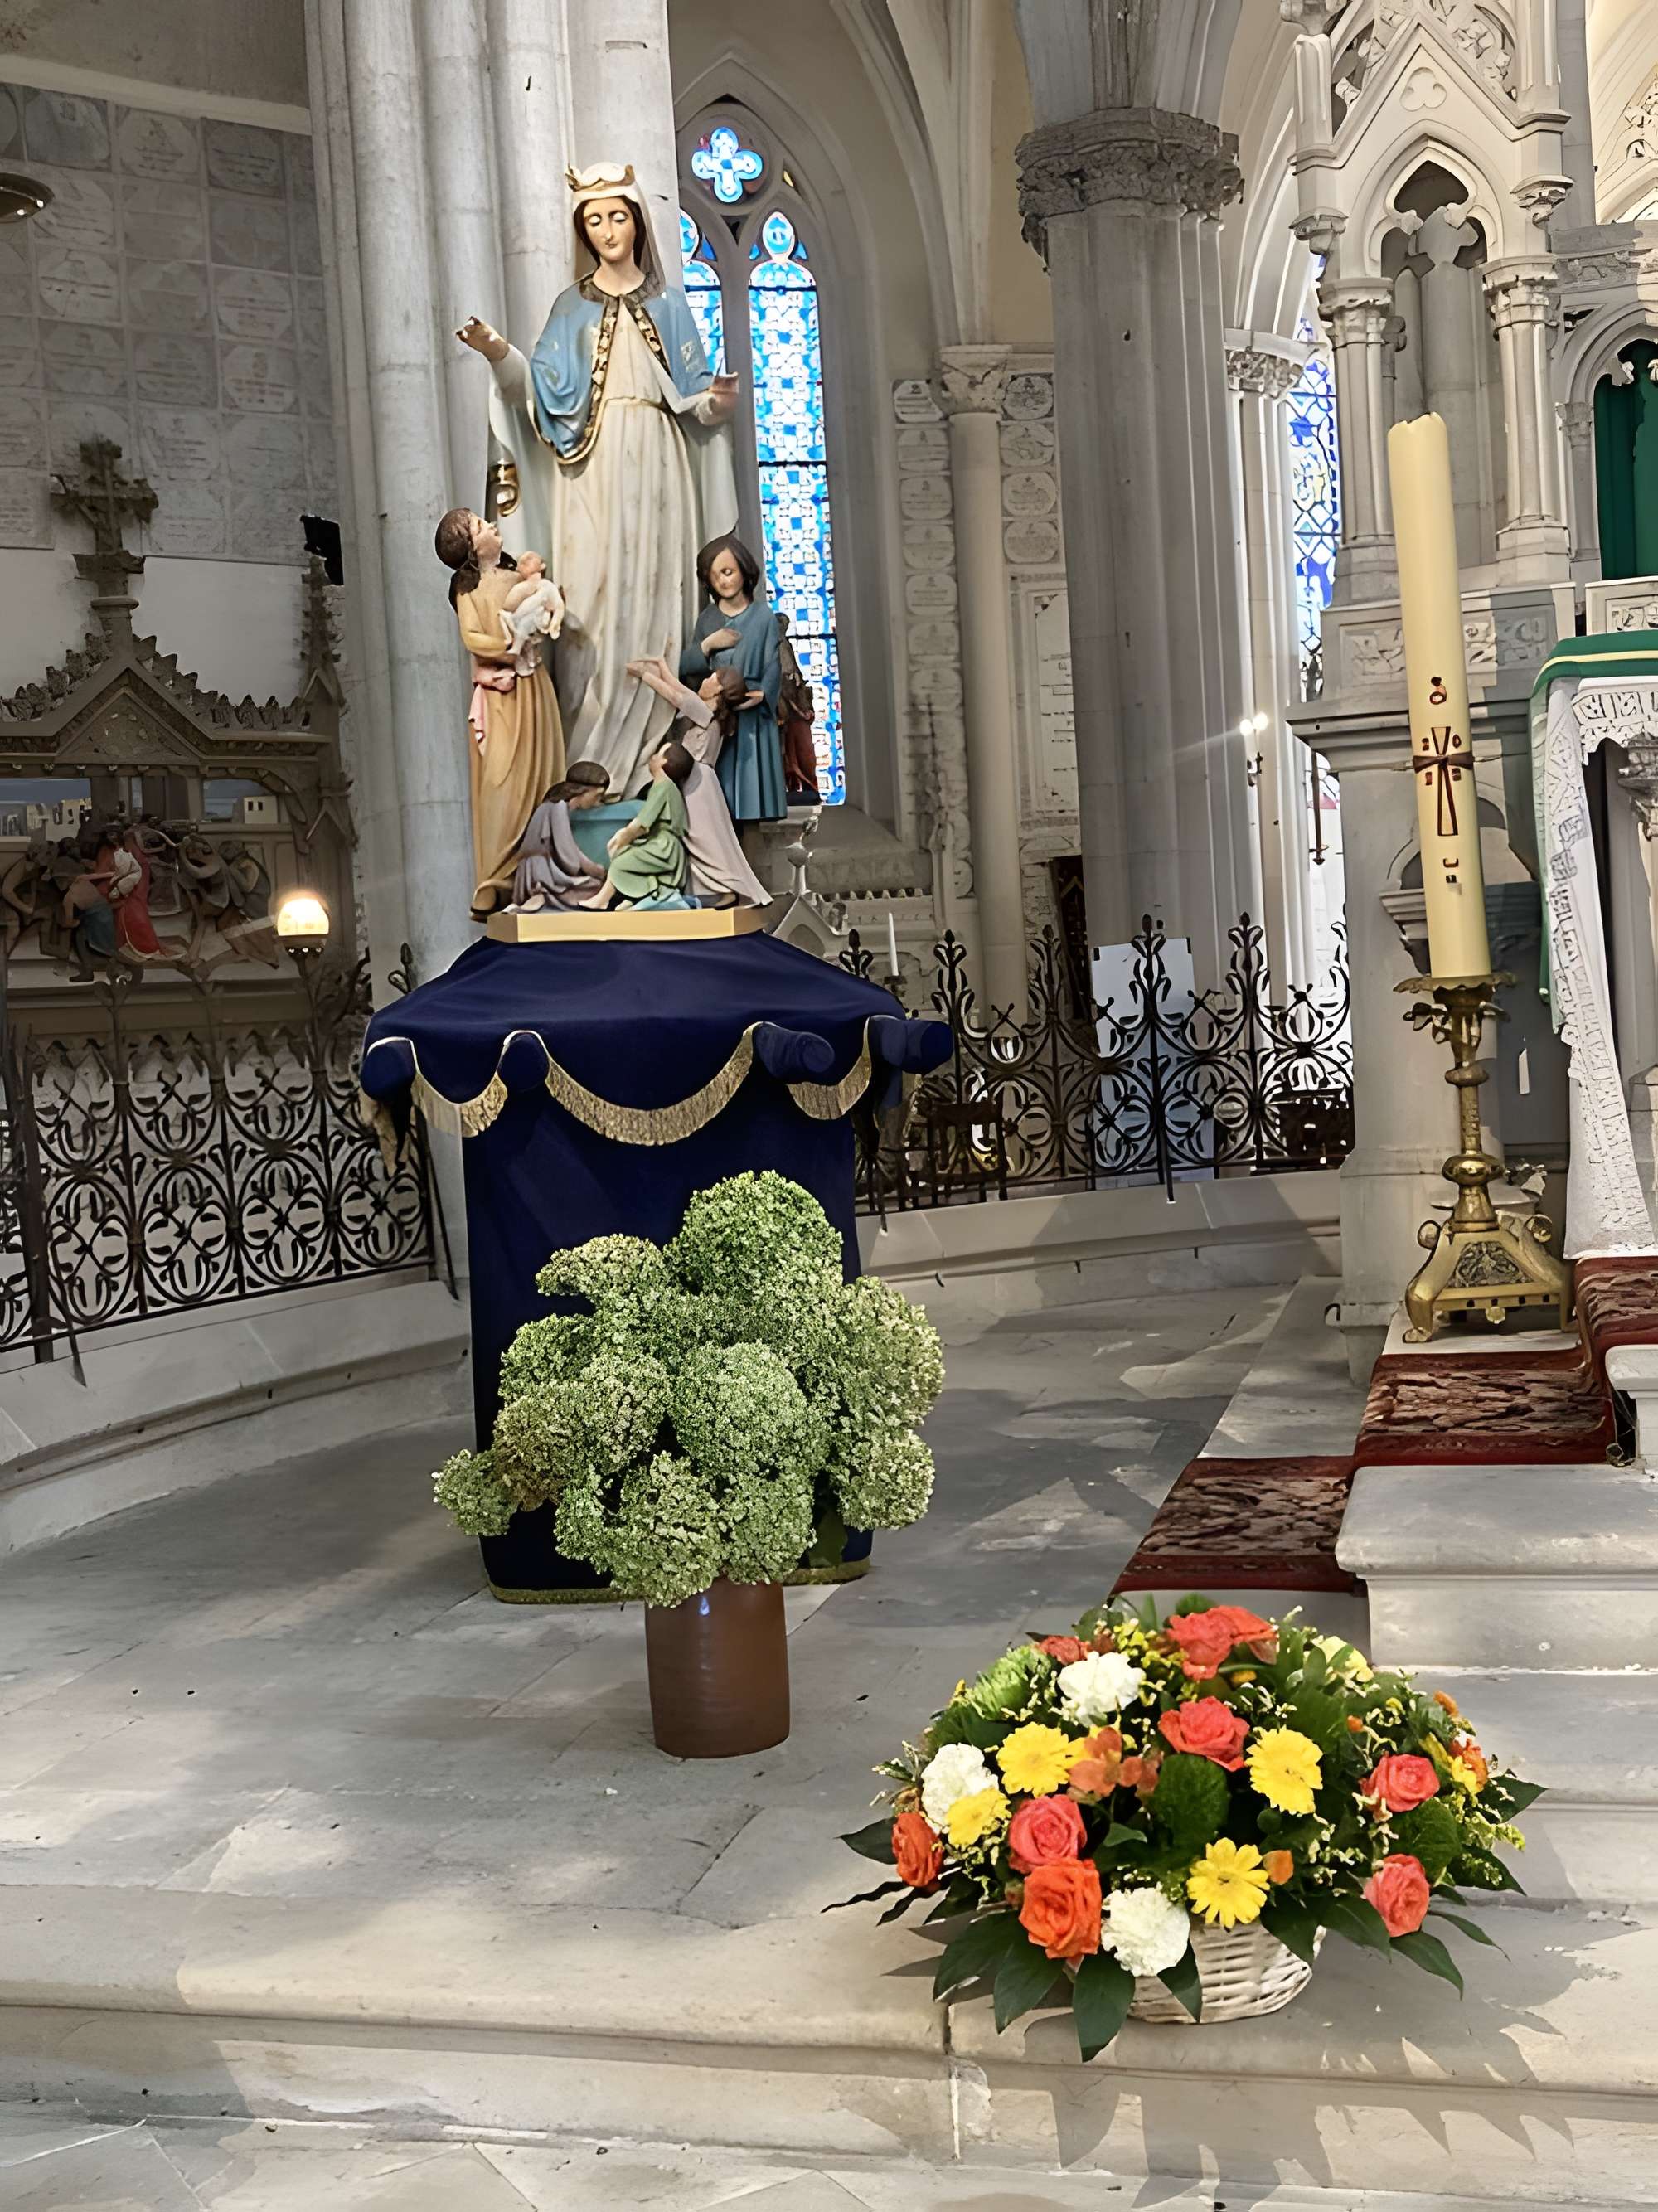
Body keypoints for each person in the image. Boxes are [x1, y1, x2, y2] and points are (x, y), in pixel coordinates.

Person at [457, 160, 739, 798]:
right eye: (595, 220)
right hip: (590, 468)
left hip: (660, 460)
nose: (608, 230)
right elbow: (538, 396)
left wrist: (716, 405)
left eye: (618, 216)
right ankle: (590, 762)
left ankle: (656, 763)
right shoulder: (570, 308)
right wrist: (500, 352)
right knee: (593, 598)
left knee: (654, 591)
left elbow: (695, 399)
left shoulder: (669, 304)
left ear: (637, 222)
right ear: (583, 231)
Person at [434, 507, 565, 919]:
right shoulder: (468, 589)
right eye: (478, 526)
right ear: (471, 547)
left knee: (542, 771)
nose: (490, 526)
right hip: (501, 696)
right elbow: (472, 636)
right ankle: (495, 876)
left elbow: (543, 609)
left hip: (532, 687)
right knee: (501, 781)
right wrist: (506, 646)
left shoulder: (516, 579)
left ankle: (542, 870)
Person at [627, 654, 770, 908]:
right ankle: (712, 890)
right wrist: (661, 664)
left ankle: (728, 889)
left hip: (696, 782)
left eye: (710, 680)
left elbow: (673, 695)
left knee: (704, 840)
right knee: (702, 839)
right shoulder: (706, 709)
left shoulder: (703, 710)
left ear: (719, 691)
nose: (704, 681)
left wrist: (642, 675)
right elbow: (680, 689)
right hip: (702, 780)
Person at [678, 534, 785, 827]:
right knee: (719, 800)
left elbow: (772, 663)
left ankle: (748, 868)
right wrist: (707, 645)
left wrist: (763, 693)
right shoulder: (708, 619)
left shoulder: (762, 616)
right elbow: (687, 669)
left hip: (752, 719)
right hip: (718, 716)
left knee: (751, 800)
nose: (723, 582)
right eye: (715, 577)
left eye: (728, 572)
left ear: (743, 570)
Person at [582, 738, 693, 910]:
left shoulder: (664, 786)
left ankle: (603, 900)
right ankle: (637, 896)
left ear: (664, 762)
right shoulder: (662, 787)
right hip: (660, 843)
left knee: (622, 860)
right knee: (626, 855)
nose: (653, 757)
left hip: (664, 847)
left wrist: (623, 836)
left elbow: (643, 822)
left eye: (658, 754)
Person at [509, 760, 611, 912]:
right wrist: (594, 869)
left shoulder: (554, 806)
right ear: (582, 790)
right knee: (594, 887)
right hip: (542, 874)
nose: (598, 802)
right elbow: (568, 853)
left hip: (543, 869)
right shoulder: (558, 808)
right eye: (597, 796)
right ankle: (537, 900)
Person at [775, 610, 822, 803]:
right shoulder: (774, 648)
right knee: (789, 753)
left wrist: (798, 686)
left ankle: (809, 787)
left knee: (804, 753)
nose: (782, 629)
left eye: (785, 626)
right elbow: (783, 675)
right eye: (780, 626)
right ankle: (791, 786)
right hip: (785, 711)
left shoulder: (786, 645)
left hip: (796, 706)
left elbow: (794, 673)